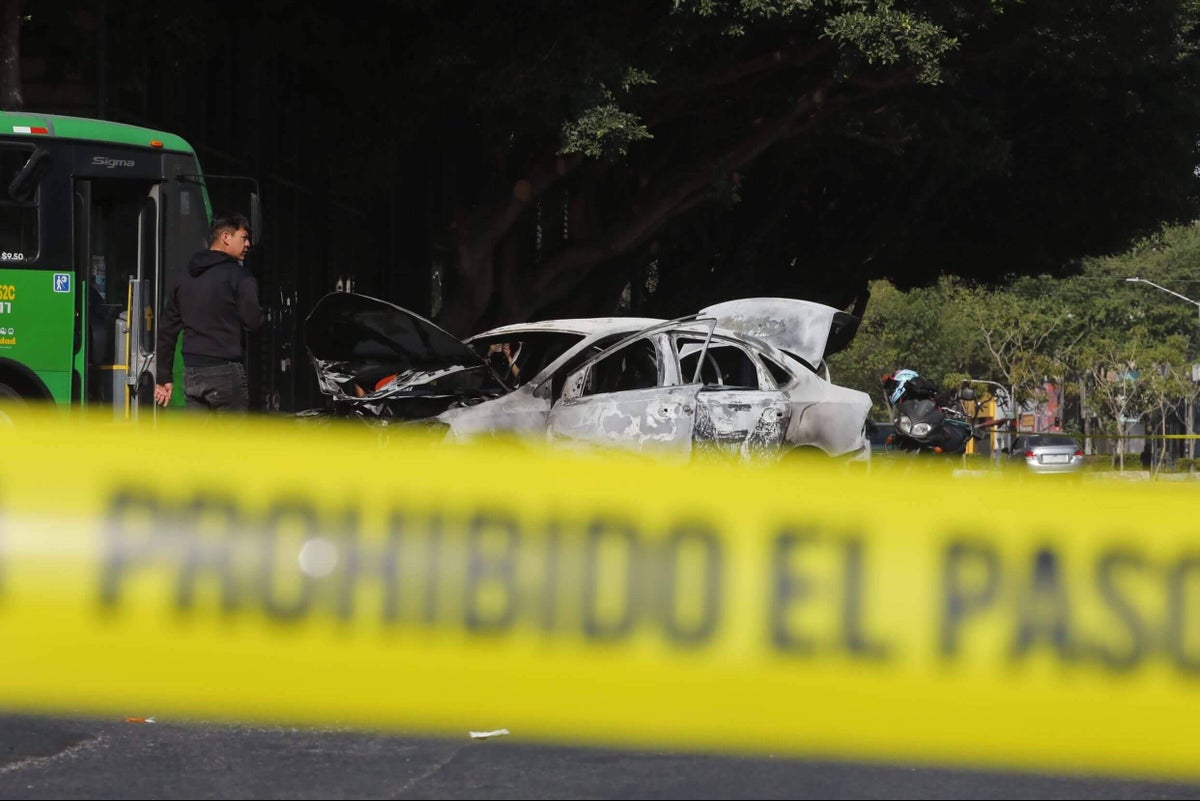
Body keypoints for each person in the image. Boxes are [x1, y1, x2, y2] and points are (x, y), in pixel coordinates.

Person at [154, 213, 264, 411]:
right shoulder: (240, 276)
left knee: (197, 442)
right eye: (244, 238)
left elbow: (167, 330)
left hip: (192, 374)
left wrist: (163, 376)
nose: (248, 244)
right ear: (225, 237)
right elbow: (253, 321)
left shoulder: (185, 276)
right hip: (225, 372)